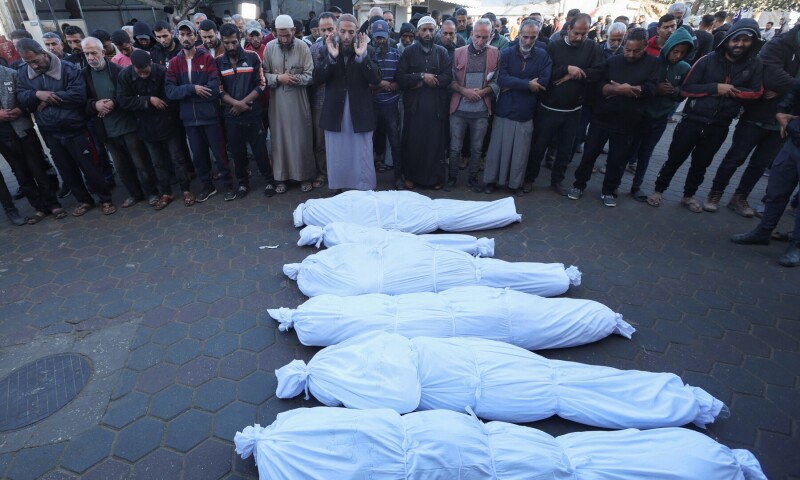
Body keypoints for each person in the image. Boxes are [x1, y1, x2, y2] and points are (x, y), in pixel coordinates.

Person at [646, 19, 764, 212]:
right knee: (675, 158)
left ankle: (688, 195)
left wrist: (731, 91)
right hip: (692, 120)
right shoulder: (708, 59)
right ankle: (659, 190)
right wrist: (715, 88)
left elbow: (756, 92)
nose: (740, 44)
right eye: (736, 39)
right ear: (728, 39)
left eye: (746, 40)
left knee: (701, 164)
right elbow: (687, 89)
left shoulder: (754, 65)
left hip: (720, 124)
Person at [704, 19, 800, 216]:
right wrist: (793, 88)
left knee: (760, 164)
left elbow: (780, 81)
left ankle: (740, 197)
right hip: (758, 113)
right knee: (735, 158)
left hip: (786, 120)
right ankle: (715, 193)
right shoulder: (779, 44)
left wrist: (785, 90)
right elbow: (772, 76)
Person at [15, 38, 116, 217]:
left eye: (35, 61)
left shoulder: (67, 69)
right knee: (67, 171)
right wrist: (38, 94)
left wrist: (48, 98)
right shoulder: (23, 73)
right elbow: (22, 96)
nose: (34, 66)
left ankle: (105, 199)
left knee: (91, 167)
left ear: (44, 54)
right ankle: (84, 200)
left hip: (76, 128)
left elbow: (78, 96)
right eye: (28, 62)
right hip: (50, 131)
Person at [569, 27, 658, 206]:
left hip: (629, 121)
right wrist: (616, 89)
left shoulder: (652, 64)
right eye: (628, 49)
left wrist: (633, 90)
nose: (631, 54)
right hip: (602, 117)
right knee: (589, 153)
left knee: (618, 159)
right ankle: (579, 184)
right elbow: (599, 85)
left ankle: (609, 190)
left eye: (636, 51)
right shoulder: (613, 61)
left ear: (644, 48)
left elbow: (652, 88)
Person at [523, 13, 604, 195]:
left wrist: (578, 72)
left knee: (565, 150)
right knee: (538, 147)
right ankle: (529, 178)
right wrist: (566, 69)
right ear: (568, 29)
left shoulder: (592, 47)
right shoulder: (554, 46)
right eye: (576, 33)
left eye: (584, 34)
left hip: (574, 110)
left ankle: (557, 181)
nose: (579, 38)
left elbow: (599, 72)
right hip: (548, 109)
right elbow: (546, 73)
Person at [82, 37, 159, 209]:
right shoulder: (84, 75)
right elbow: (81, 102)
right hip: (107, 131)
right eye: (86, 53)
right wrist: (95, 105)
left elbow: (131, 96)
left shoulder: (119, 71)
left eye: (93, 53)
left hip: (129, 126)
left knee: (141, 163)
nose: (90, 57)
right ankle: (135, 194)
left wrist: (114, 102)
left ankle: (153, 192)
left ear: (103, 52)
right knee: (121, 167)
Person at [730, 81, 800, 267]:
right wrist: (781, 111)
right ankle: (763, 231)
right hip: (794, 142)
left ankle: (796, 246)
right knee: (776, 190)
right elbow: (795, 90)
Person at [166, 20, 234, 202]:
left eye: (189, 34)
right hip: (189, 120)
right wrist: (193, 89)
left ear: (196, 37)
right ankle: (207, 186)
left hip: (210, 116)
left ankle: (228, 184)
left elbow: (212, 89)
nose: (186, 38)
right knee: (199, 157)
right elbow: (170, 91)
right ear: (177, 36)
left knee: (220, 154)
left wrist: (186, 92)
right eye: (182, 34)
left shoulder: (207, 59)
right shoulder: (174, 63)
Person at [118, 50, 194, 209]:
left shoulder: (162, 72)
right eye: (140, 72)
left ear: (151, 63)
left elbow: (172, 95)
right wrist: (147, 100)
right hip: (145, 126)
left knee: (177, 159)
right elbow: (124, 101)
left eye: (146, 70)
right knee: (157, 163)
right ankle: (166, 192)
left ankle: (186, 189)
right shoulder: (125, 76)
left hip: (168, 122)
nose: (144, 74)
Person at [313, 15, 381, 191]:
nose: (346, 36)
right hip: (336, 112)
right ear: (337, 31)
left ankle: (363, 188)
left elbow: (375, 79)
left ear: (357, 32)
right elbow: (317, 78)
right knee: (337, 153)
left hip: (359, 112)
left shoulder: (368, 50)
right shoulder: (325, 50)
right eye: (342, 31)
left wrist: (363, 56)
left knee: (361, 153)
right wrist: (331, 58)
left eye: (351, 32)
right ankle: (339, 187)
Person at [483, 19, 551, 195]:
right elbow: (502, 79)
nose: (528, 41)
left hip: (525, 111)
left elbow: (543, 82)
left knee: (520, 153)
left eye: (532, 37)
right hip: (505, 109)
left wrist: (515, 84)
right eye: (525, 36)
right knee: (497, 149)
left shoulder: (543, 55)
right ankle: (491, 182)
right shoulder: (506, 53)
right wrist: (528, 84)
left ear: (537, 36)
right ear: (519, 34)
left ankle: (515, 185)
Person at [627, 27, 694, 201]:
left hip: (660, 118)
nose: (677, 55)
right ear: (668, 48)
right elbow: (639, 86)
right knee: (628, 149)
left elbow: (685, 92)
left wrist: (675, 91)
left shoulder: (684, 68)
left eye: (682, 52)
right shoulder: (653, 63)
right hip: (641, 115)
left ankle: (636, 186)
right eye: (675, 51)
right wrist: (655, 89)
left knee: (646, 153)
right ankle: (612, 184)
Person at [215, 23, 276, 199]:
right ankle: (242, 183)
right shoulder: (219, 61)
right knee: (237, 151)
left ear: (240, 37)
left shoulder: (252, 57)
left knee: (260, 150)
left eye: (234, 42)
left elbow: (262, 84)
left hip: (252, 112)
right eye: (227, 43)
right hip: (232, 115)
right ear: (222, 41)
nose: (231, 46)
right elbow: (218, 89)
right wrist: (236, 104)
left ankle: (269, 180)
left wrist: (243, 103)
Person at [0, 63, 62, 224]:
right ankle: (39, 207)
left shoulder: (12, 74)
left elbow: (28, 97)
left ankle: (53, 204)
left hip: (23, 129)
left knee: (38, 168)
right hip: (3, 136)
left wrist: (21, 110)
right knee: (21, 174)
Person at [396, 15, 453, 189]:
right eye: (424, 30)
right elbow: (400, 78)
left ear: (435, 31)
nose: (427, 33)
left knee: (435, 145)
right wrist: (421, 76)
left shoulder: (441, 52)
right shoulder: (409, 52)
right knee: (413, 143)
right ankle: (411, 177)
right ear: (418, 32)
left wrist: (428, 81)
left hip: (435, 107)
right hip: (414, 108)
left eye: (431, 30)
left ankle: (435, 179)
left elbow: (447, 78)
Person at [262, 15, 316, 193]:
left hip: (299, 102)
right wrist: (279, 78)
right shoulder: (269, 48)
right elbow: (264, 75)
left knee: (301, 139)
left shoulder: (303, 47)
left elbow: (310, 75)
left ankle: (304, 176)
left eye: (288, 35)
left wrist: (292, 78)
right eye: (281, 35)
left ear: (293, 31)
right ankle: (281, 178)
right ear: (274, 33)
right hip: (277, 103)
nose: (285, 39)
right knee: (279, 140)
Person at [446, 18, 499, 192]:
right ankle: (452, 178)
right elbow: (450, 81)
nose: (481, 41)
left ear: (491, 36)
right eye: (478, 36)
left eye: (485, 37)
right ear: (471, 34)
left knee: (477, 149)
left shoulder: (495, 53)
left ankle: (473, 179)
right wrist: (464, 91)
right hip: (458, 110)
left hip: (482, 111)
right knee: (454, 148)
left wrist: (482, 93)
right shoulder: (458, 53)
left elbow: (498, 81)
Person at [370, 19, 403, 189]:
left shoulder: (396, 53)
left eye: (383, 37)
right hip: (373, 105)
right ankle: (368, 179)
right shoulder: (367, 54)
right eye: (377, 38)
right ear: (372, 36)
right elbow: (363, 82)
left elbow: (402, 78)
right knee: (369, 142)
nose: (380, 41)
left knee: (395, 141)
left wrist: (393, 85)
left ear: (388, 35)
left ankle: (398, 177)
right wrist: (379, 84)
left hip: (391, 105)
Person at [309, 12, 336, 189]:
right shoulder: (313, 49)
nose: (326, 33)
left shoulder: (347, 46)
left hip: (341, 102)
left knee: (339, 140)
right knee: (320, 141)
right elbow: (313, 78)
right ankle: (323, 172)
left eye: (330, 29)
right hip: (319, 101)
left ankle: (338, 172)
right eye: (323, 29)